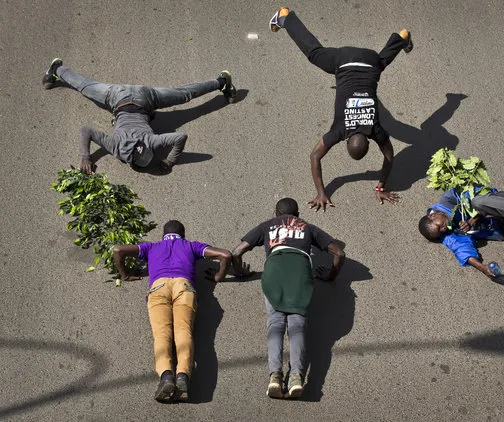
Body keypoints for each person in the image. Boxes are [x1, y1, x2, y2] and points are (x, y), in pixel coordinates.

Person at [269, 8, 413, 211]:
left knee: (381, 63)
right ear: (346, 142)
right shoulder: (340, 130)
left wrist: (381, 186)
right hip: (343, 61)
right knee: (313, 53)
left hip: (371, 61)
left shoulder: (375, 130)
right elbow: (314, 156)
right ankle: (285, 17)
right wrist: (321, 193)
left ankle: (402, 38)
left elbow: (390, 156)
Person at [231, 198, 345, 398]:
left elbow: (237, 252)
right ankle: (296, 378)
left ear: (276, 213)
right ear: (298, 214)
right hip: (300, 273)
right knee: (297, 324)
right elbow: (339, 253)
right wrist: (330, 275)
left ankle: (275, 376)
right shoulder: (307, 227)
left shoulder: (267, 225)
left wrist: (240, 271)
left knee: (275, 323)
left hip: (274, 271)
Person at [41, 58, 236, 174]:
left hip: (144, 99)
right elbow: (86, 130)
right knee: (85, 86)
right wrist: (86, 157)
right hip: (119, 98)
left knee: (184, 94)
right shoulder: (116, 146)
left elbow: (180, 137)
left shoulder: (150, 141)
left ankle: (221, 82)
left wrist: (170, 160)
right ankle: (57, 69)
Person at [113, 220, 232, 402]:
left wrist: (125, 274)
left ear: (163, 235)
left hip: (158, 288)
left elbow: (118, 250)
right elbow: (225, 255)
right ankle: (183, 375)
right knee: (183, 331)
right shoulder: (192, 246)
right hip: (184, 288)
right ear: (182, 234)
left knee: (162, 334)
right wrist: (218, 276)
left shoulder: (151, 247)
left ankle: (166, 376)